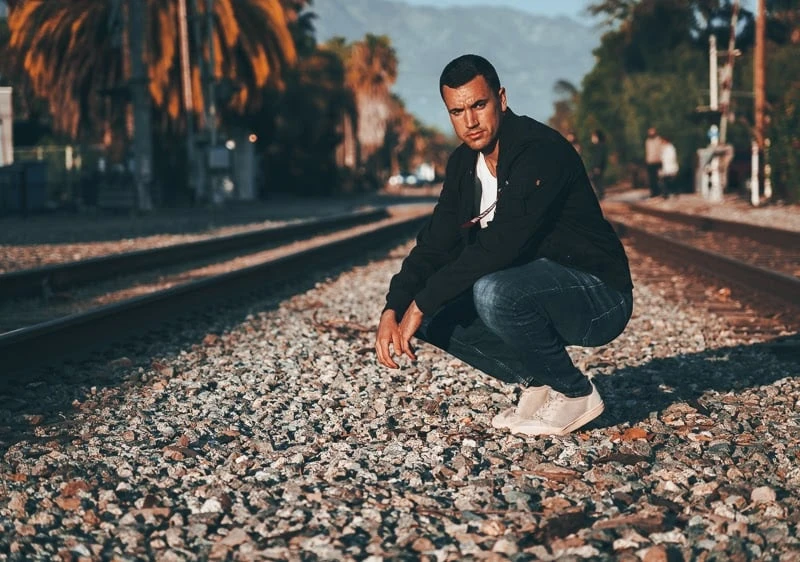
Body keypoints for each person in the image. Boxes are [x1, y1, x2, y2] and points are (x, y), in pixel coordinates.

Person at [374, 55, 633, 437]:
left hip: (598, 294)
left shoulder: (538, 150)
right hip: (535, 289)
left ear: (501, 99)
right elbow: (434, 244)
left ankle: (575, 392)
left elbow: (502, 246)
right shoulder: (463, 165)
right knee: (428, 313)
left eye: (479, 105)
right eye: (458, 111)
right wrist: (395, 307)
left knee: (491, 291)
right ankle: (541, 381)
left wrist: (422, 300)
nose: (471, 121)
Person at [588, 129, 608, 200]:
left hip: (598, 167)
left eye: (593, 137)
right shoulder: (597, 146)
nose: (592, 139)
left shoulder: (600, 146)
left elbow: (600, 158)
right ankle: (599, 194)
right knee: (595, 179)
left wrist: (597, 166)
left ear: (597, 137)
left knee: (597, 180)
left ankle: (600, 194)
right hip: (596, 166)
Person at [645, 127, 663, 197]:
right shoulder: (647, 141)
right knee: (651, 178)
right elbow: (648, 151)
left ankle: (659, 192)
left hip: (658, 161)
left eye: (652, 132)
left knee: (658, 178)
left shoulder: (658, 140)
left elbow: (661, 150)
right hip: (650, 161)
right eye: (649, 132)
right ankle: (653, 193)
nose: (651, 133)